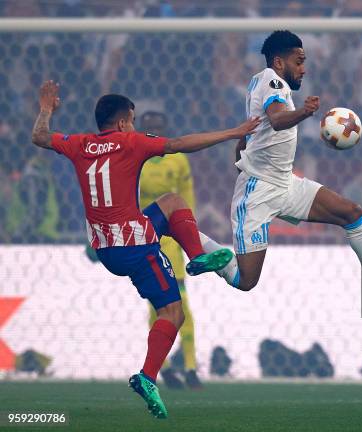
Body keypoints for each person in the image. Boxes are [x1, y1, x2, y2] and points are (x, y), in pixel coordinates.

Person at [31, 80, 260, 418]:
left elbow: (39, 136)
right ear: (124, 122)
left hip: (106, 247)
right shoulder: (131, 142)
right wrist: (233, 132)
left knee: (170, 203)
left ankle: (197, 259)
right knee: (173, 313)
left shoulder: (79, 144)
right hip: (134, 246)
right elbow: (182, 143)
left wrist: (46, 111)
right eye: (133, 120)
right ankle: (148, 374)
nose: (135, 126)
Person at [198, 30, 362, 306]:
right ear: (279, 62)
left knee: (352, 213)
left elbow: (255, 128)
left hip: (285, 183)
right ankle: (209, 249)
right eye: (298, 61)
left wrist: (242, 152)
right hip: (258, 193)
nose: (303, 68)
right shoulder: (271, 81)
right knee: (245, 281)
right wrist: (304, 111)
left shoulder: (263, 84)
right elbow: (277, 120)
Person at [139, 111, 202, 390]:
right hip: (142, 239)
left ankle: (190, 366)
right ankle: (162, 367)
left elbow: (187, 200)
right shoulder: (135, 159)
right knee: (156, 307)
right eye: (149, 129)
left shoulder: (178, 159)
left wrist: (188, 235)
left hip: (171, 242)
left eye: (158, 128)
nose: (154, 133)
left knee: (181, 305)